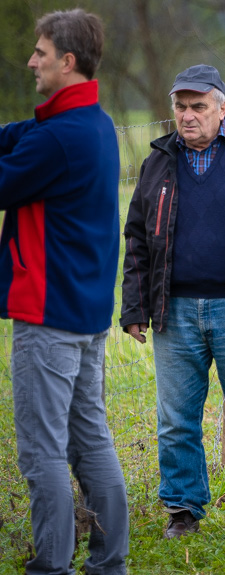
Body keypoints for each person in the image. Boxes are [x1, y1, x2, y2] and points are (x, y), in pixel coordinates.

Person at [120, 65, 225, 539]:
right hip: (174, 310)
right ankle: (184, 508)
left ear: (221, 109)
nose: (187, 117)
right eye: (180, 107)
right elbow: (136, 239)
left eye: (198, 107)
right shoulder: (158, 162)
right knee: (175, 420)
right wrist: (134, 307)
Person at [0, 9, 129, 574]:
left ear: (67, 61)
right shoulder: (90, 124)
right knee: (90, 443)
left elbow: (7, 179)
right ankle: (110, 563)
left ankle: (50, 566)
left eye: (41, 53)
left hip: (48, 317)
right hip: (84, 315)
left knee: (41, 453)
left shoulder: (61, 138)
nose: (32, 61)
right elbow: (19, 136)